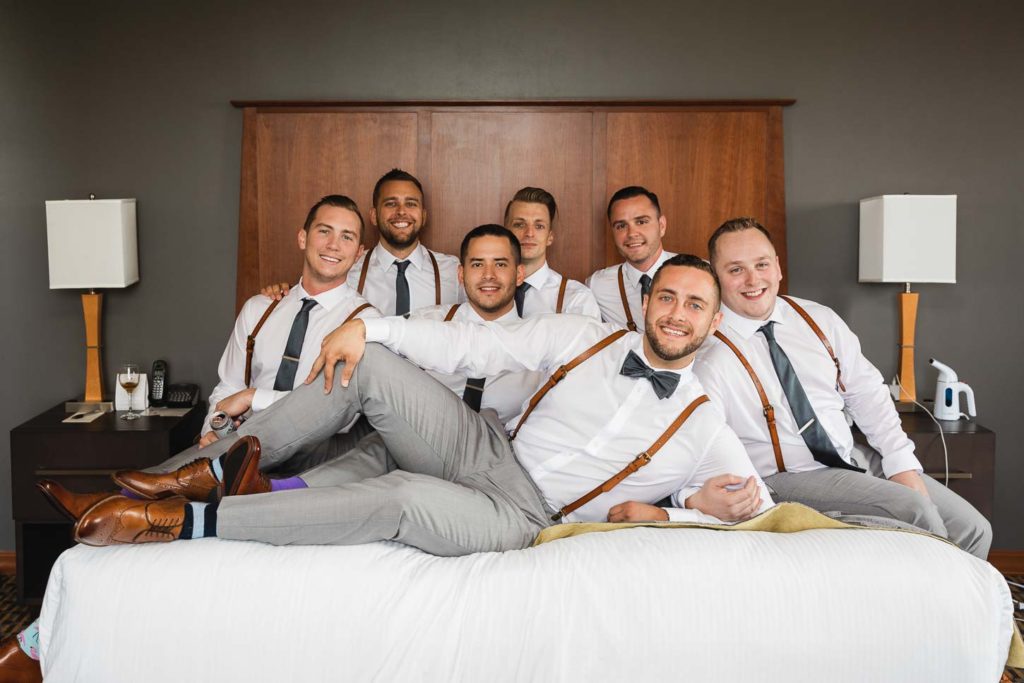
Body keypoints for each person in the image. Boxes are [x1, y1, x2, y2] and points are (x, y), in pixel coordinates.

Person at [63, 254, 773, 555]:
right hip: (488, 446)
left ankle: (178, 521)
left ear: (714, 322)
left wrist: (681, 513)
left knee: (401, 495)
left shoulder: (703, 421)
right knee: (369, 362)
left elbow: (764, 509)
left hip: (527, 515)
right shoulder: (586, 335)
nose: (676, 313)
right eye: (667, 297)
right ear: (648, 302)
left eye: (695, 305)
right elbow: (469, 345)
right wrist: (367, 329)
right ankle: (181, 476)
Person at [38, 195, 380, 515]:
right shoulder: (260, 309)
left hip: (315, 450)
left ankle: (114, 501)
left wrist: (254, 398)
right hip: (244, 441)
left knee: (208, 468)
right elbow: (227, 387)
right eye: (324, 231)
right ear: (303, 238)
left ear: (359, 253)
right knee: (211, 458)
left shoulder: (364, 323)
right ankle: (123, 504)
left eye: (347, 237)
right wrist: (212, 430)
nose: (334, 245)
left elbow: (342, 411)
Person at [694, 217, 991, 558]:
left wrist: (901, 466)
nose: (752, 279)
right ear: (715, 276)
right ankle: (929, 592)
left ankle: (959, 594)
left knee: (973, 529)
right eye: (735, 270)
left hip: (853, 460)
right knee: (915, 512)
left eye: (761, 264)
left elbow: (867, 394)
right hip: (787, 476)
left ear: (777, 267)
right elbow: (707, 443)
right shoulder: (708, 352)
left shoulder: (819, 319)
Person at [346, 168, 460, 315]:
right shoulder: (349, 270)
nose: (401, 211)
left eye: (411, 204)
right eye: (391, 204)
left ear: (424, 216)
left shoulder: (452, 271)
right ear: (374, 216)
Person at [586, 186, 676, 332]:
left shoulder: (700, 274)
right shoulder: (597, 285)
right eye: (621, 226)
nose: (632, 233)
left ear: (662, 226)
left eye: (641, 222)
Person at [502, 186, 600, 319]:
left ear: (550, 237)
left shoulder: (576, 299)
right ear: (505, 233)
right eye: (519, 224)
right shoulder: (483, 290)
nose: (529, 233)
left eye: (539, 226)